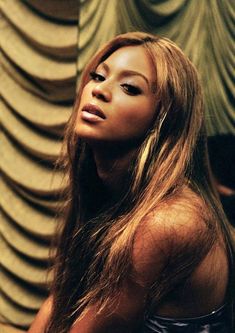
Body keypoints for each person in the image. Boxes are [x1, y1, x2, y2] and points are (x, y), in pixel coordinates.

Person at [28, 32, 234, 333]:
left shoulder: (168, 221)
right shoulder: (113, 197)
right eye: (98, 76)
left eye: (129, 87)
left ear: (165, 117)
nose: (99, 90)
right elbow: (60, 301)